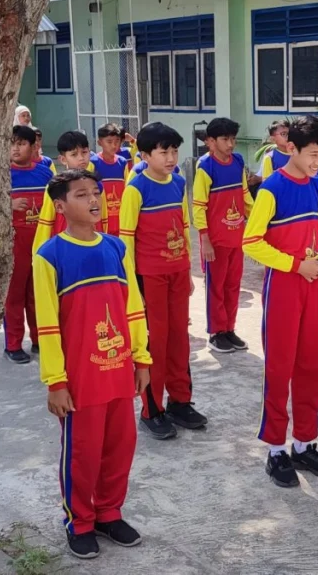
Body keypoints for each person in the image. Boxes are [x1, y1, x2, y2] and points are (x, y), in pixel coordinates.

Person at [33, 169, 152, 559]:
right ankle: (79, 520)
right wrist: (56, 381)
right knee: (83, 451)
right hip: (80, 378)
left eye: (96, 193)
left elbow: (133, 308)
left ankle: (109, 512)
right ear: (61, 205)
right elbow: (48, 326)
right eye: (82, 195)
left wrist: (141, 358)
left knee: (121, 445)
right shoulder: (49, 257)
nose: (95, 200)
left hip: (119, 368)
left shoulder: (117, 249)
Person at [243, 115, 318, 487]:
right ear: (291, 148)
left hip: (316, 286)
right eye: (313, 154)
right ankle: (276, 449)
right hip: (285, 287)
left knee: (313, 366)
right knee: (280, 368)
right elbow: (251, 242)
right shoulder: (272, 188)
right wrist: (295, 265)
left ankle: (305, 442)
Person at [120, 122, 205, 440]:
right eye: (163, 151)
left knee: (179, 340)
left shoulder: (178, 182)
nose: (170, 157)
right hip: (149, 276)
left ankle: (180, 402)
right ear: (144, 155)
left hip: (178, 273)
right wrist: (131, 284)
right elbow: (125, 240)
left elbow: (184, 226)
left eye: (174, 151)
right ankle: (151, 409)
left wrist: (189, 268)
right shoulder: (135, 188)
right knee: (154, 343)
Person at [193, 117, 253, 354]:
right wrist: (205, 239)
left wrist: (258, 221)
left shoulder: (238, 161)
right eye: (225, 139)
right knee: (215, 287)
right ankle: (216, 333)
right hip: (215, 240)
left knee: (233, 285)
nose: (231, 144)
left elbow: (245, 196)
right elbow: (198, 206)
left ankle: (229, 328)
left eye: (233, 139)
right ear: (210, 141)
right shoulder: (205, 167)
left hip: (236, 237)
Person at [5, 126, 55, 362]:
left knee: (39, 294)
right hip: (14, 243)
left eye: (21, 143)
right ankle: (13, 344)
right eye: (12, 143)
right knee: (14, 295)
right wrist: (8, 206)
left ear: (33, 146)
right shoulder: (1, 176)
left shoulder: (45, 174)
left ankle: (39, 339)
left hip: (41, 242)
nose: (15, 148)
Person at [33, 130, 105, 253]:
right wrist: (38, 253)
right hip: (64, 247)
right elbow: (46, 223)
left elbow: (104, 220)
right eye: (74, 154)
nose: (81, 158)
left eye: (84, 152)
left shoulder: (97, 185)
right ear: (63, 159)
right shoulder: (55, 186)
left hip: (93, 245)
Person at [90, 123, 130, 236]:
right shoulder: (93, 163)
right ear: (99, 143)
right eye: (109, 141)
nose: (114, 145)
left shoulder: (122, 163)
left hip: (120, 216)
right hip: (101, 217)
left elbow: (127, 189)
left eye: (117, 141)